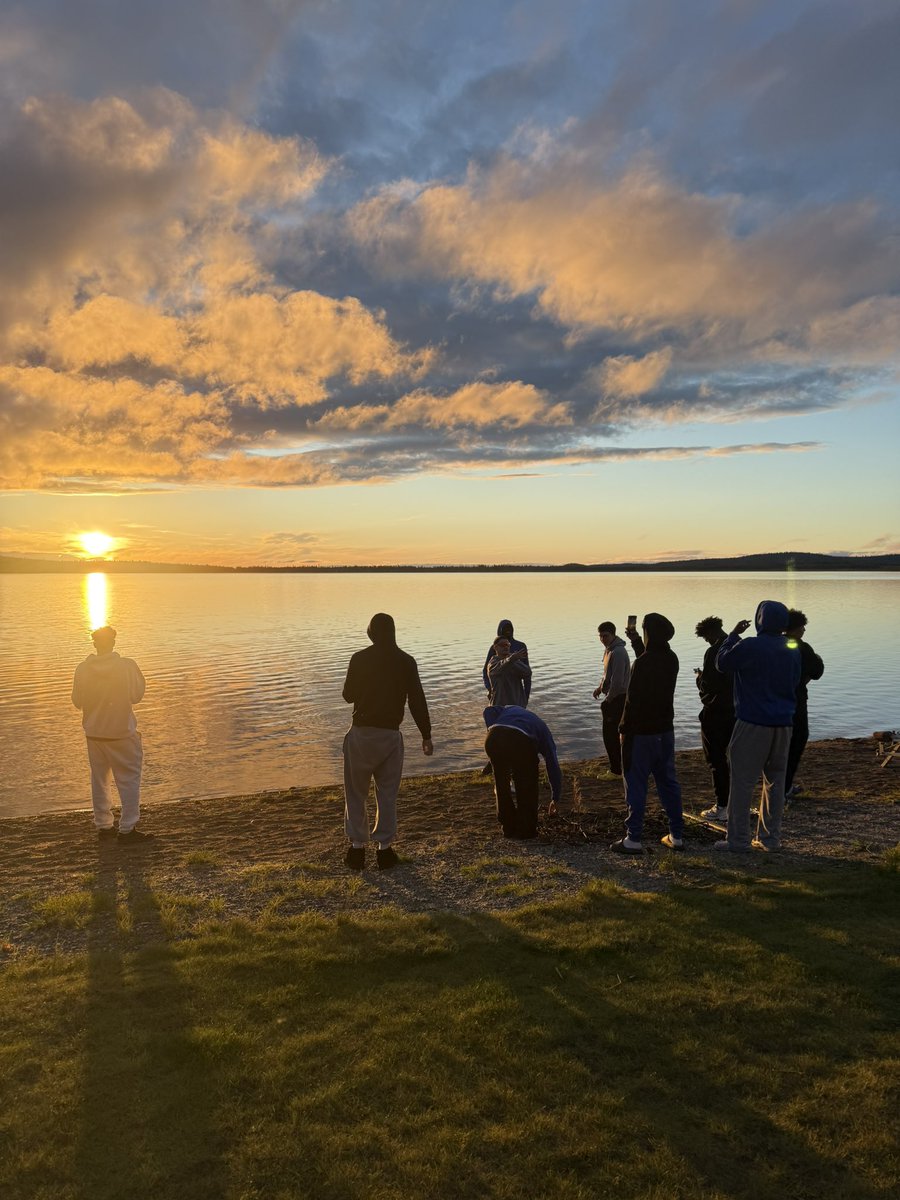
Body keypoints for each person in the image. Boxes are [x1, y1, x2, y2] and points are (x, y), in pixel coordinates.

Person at [341, 613, 433, 870]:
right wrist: (426, 735)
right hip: (390, 736)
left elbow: (348, 695)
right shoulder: (406, 661)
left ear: (371, 632)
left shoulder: (359, 658)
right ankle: (384, 850)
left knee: (355, 793)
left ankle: (357, 850)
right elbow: (417, 700)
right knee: (387, 794)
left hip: (361, 735)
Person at [714, 601, 801, 853]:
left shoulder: (750, 645)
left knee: (742, 783)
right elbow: (795, 681)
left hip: (753, 723)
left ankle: (738, 840)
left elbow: (722, 663)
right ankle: (769, 839)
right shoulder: (792, 647)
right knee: (775, 783)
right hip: (784, 724)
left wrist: (731, 636)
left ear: (760, 619)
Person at [609, 613, 684, 854]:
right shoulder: (672, 659)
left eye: (643, 630)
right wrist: (634, 641)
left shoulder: (641, 664)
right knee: (668, 783)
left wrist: (622, 730)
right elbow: (650, 656)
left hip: (640, 735)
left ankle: (634, 838)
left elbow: (632, 702)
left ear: (649, 633)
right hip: (665, 731)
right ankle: (677, 835)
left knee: (636, 784)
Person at [71, 625, 149, 843]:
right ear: (113, 642)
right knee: (129, 779)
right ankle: (128, 828)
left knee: (99, 780)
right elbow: (137, 696)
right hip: (121, 732)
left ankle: (104, 825)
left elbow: (77, 702)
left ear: (95, 644)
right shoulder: (126, 666)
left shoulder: (82, 669)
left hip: (94, 734)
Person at [483, 705, 562, 839]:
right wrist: (555, 797)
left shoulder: (508, 709)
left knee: (502, 785)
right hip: (520, 740)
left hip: (493, 738)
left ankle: (508, 827)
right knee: (527, 785)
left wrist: (491, 728)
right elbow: (552, 764)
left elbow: (488, 711)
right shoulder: (543, 731)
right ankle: (526, 830)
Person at [694, 616, 735, 822]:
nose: (707, 642)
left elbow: (708, 686)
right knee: (736, 759)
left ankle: (722, 806)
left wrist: (699, 678)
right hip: (738, 712)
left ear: (710, 633)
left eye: (706, 638)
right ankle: (737, 803)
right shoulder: (738, 645)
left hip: (716, 713)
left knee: (716, 759)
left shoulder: (713, 651)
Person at [592, 619, 642, 776]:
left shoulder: (618, 652)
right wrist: (600, 688)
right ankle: (618, 767)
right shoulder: (609, 650)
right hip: (614, 697)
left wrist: (608, 699)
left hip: (619, 698)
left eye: (605, 636)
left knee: (611, 736)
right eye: (600, 636)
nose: (602, 639)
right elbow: (608, 674)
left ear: (613, 635)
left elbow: (618, 681)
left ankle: (616, 770)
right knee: (613, 735)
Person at [784, 609, 825, 798]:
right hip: (796, 701)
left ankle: (781, 787)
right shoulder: (800, 646)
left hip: (773, 702)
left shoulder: (773, 643)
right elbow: (817, 671)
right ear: (797, 627)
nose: (804, 630)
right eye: (802, 627)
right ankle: (785, 788)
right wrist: (817, 660)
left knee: (778, 745)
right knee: (797, 741)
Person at [483, 619, 530, 704]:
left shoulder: (520, 646)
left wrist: (526, 696)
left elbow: (527, 674)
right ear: (496, 648)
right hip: (499, 697)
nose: (506, 647)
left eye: (508, 645)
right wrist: (490, 689)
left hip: (517, 699)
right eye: (502, 645)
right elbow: (489, 670)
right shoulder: (494, 654)